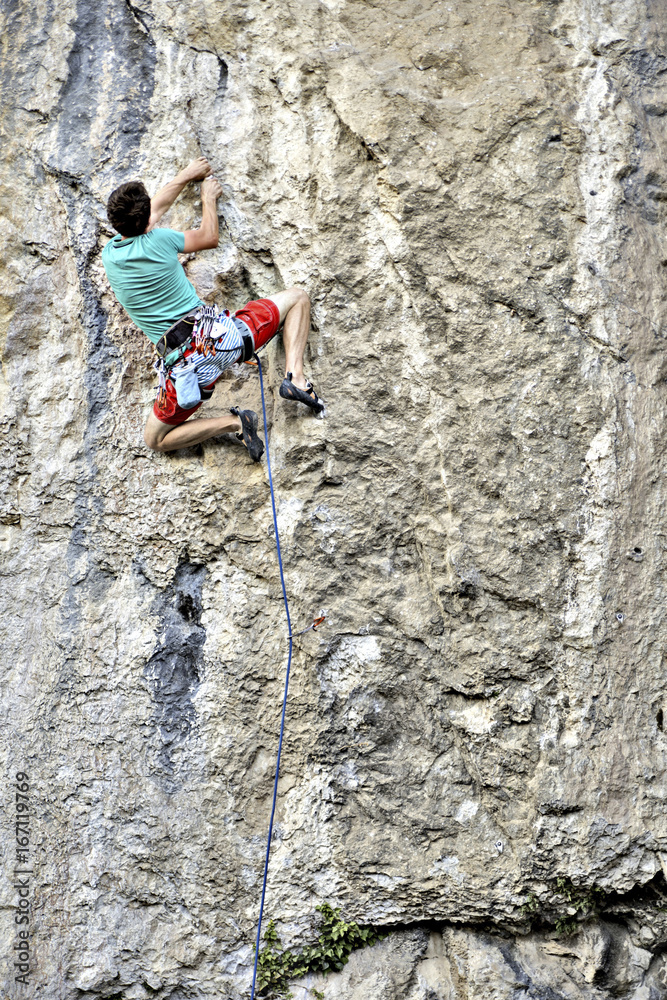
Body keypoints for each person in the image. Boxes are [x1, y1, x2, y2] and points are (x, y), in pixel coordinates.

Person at [101, 156, 324, 460]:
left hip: (187, 370)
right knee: (297, 298)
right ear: (147, 221)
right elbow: (209, 236)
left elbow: (152, 213)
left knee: (155, 439)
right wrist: (207, 197)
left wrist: (184, 177)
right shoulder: (162, 240)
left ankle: (235, 423)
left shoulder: (111, 255)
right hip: (223, 338)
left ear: (117, 225)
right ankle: (295, 377)